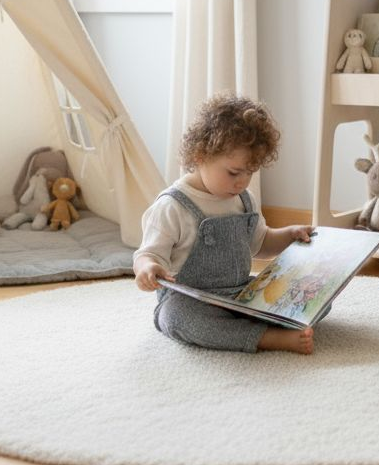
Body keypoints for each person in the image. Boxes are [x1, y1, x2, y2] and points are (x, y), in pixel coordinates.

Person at [134, 93, 316, 354]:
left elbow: (261, 244)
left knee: (311, 296)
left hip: (239, 295)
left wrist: (290, 235)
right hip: (190, 300)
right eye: (233, 172)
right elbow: (148, 254)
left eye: (249, 173)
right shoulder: (172, 206)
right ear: (200, 156)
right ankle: (266, 337)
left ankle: (256, 324)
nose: (242, 182)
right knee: (175, 318)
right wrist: (147, 268)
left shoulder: (244, 199)